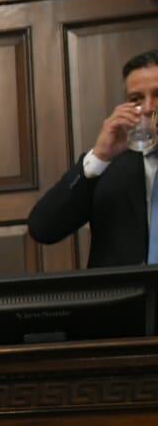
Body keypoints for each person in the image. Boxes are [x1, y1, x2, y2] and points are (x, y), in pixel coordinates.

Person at [28, 49, 158, 267]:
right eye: (136, 99)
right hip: (127, 299)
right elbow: (43, 229)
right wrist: (99, 156)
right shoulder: (108, 167)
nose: (147, 108)